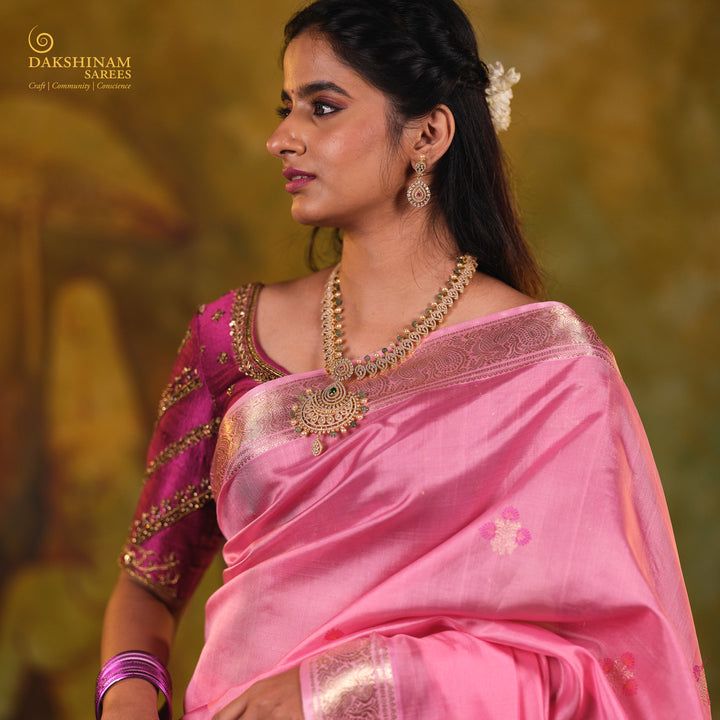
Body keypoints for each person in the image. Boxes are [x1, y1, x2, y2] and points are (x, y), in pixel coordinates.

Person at [97, 1, 712, 718]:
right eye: (286, 107)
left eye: (323, 108)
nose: (281, 138)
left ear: (427, 134)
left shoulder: (549, 369)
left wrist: (344, 689)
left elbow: (598, 662)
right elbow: (147, 584)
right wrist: (128, 695)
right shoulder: (226, 341)